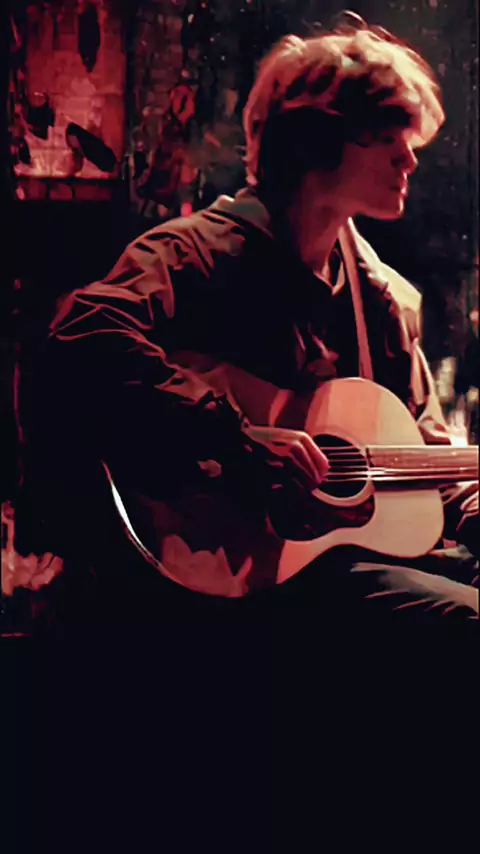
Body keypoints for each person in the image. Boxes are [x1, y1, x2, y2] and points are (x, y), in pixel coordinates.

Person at [12, 13, 478, 632]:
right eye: (387, 135)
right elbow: (80, 338)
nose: (409, 158)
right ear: (315, 142)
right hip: (217, 580)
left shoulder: (379, 298)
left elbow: (424, 453)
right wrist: (232, 437)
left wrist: (470, 503)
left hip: (346, 560)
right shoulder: (197, 254)